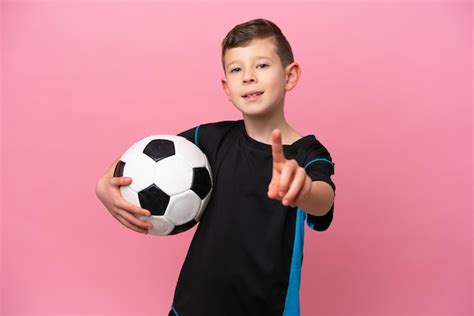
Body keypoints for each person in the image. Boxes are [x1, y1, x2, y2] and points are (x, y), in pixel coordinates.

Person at [96, 18, 336, 316]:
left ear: (290, 76)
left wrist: (304, 190)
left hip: (267, 307)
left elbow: (323, 202)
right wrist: (104, 183)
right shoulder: (209, 138)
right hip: (195, 304)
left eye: (261, 65)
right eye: (236, 69)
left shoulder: (307, 153)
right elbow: (145, 155)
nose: (248, 77)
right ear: (226, 87)